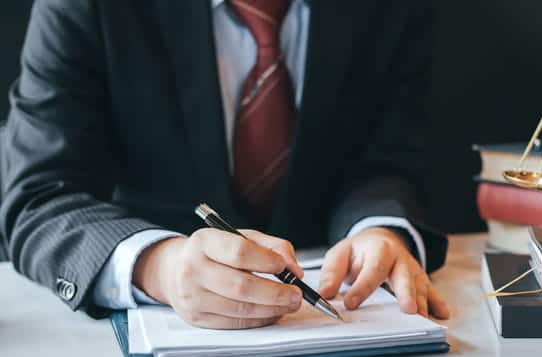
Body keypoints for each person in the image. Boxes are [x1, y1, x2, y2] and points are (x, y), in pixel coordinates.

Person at [0, 0, 450, 329]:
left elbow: (390, 158)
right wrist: (159, 267)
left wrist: (379, 228)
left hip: (337, 337)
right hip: (153, 354)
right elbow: (39, 197)